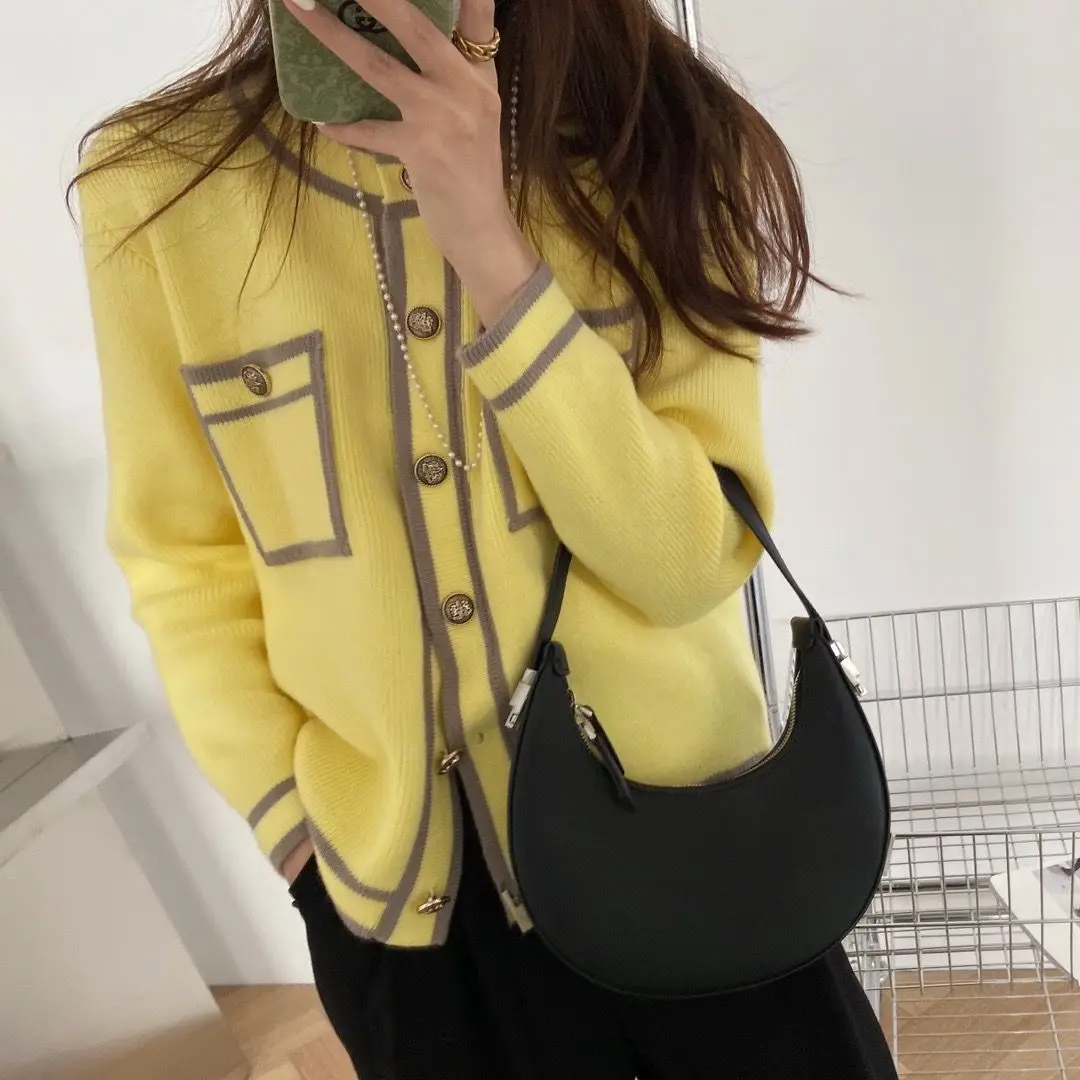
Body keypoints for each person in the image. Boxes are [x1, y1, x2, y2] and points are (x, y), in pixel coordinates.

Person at [74, 0, 898, 1076]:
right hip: (406, 909)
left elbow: (690, 564)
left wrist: (495, 255)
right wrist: (293, 828)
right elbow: (183, 559)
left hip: (686, 846)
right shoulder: (157, 187)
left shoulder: (661, 139)